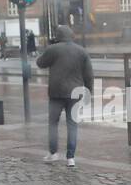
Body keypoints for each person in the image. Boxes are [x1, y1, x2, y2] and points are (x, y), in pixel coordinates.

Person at [36, 24, 94, 167]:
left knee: (53, 123)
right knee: (72, 124)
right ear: (71, 35)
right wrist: (89, 92)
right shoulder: (81, 51)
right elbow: (89, 75)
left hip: (56, 93)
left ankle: (53, 153)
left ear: (58, 36)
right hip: (75, 93)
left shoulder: (53, 49)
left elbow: (40, 63)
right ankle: (70, 158)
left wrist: (48, 50)